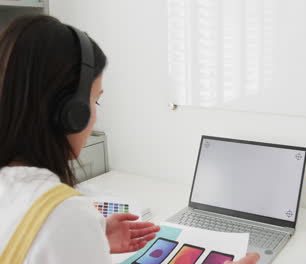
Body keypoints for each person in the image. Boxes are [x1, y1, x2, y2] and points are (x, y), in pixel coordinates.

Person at [0, 15, 259, 264]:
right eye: (95, 99)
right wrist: (76, 234)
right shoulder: (64, 215)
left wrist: (91, 240)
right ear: (71, 113)